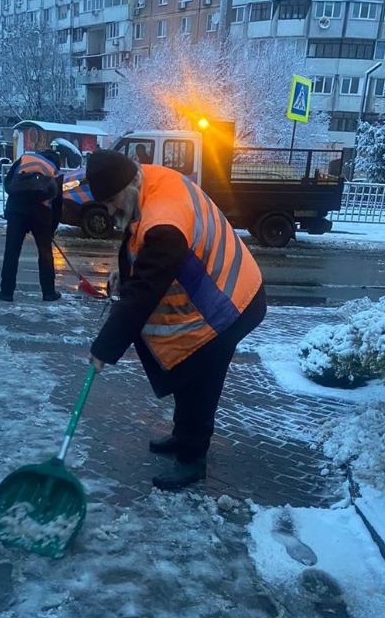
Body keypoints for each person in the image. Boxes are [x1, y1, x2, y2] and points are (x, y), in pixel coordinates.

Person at [85, 149, 267, 491]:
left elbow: (144, 294)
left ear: (130, 184)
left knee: (200, 376)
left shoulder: (164, 219)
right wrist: (123, 274)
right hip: (217, 289)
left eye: (111, 201)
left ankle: (192, 458)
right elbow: (138, 243)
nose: (109, 212)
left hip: (232, 302)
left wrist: (104, 348)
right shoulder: (148, 180)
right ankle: (183, 435)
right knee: (185, 368)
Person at [0, 149, 63, 303]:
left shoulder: (25, 158)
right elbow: (58, 203)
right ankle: (49, 292)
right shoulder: (53, 170)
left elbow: (8, 184)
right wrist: (51, 229)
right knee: (45, 254)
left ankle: (6, 292)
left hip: (16, 210)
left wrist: (15, 204)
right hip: (40, 214)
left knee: (11, 252)